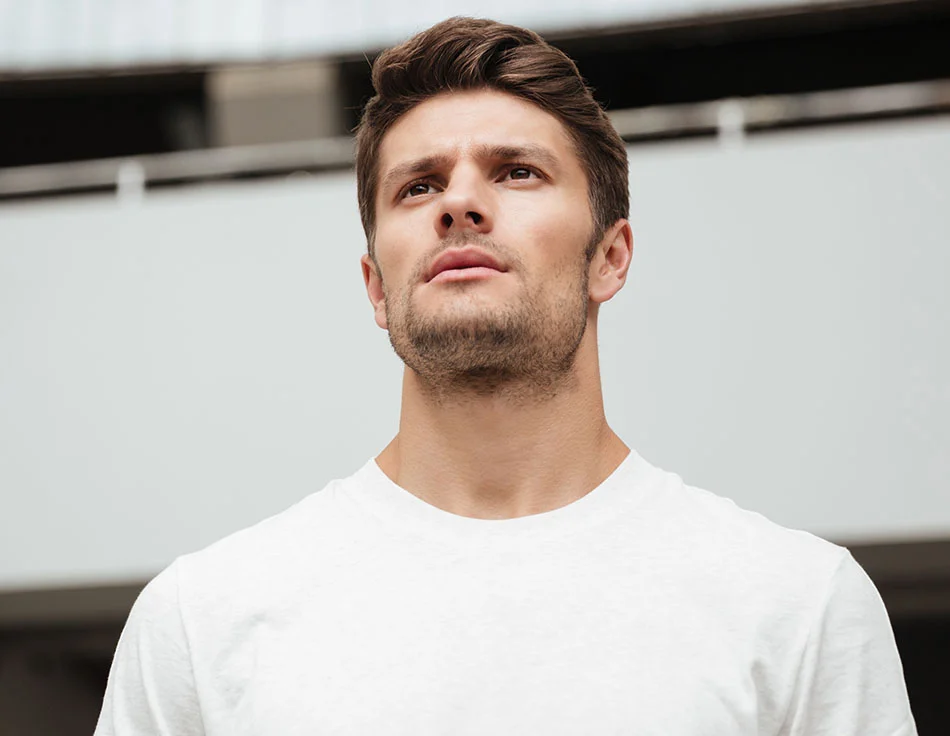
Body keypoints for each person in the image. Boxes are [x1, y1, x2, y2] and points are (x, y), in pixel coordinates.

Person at [94, 17, 917, 736]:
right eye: (418, 186)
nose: (459, 202)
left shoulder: (799, 608)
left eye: (516, 171)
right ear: (378, 287)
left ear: (611, 257)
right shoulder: (201, 624)